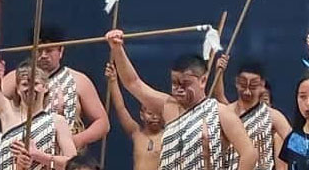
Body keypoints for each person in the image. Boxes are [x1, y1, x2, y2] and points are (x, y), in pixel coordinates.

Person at [105, 29, 257, 169]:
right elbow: (133, 83)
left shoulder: (221, 113)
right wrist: (117, 49)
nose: (178, 89)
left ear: (203, 81)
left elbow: (249, 153)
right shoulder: (168, 106)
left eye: (185, 84)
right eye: (175, 83)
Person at [0, 24, 109, 150]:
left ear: (60, 51)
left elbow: (102, 122)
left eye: (49, 50)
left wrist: (76, 140)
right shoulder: (18, 78)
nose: (43, 56)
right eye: (39, 50)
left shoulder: (79, 80)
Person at [0, 14, 77, 170]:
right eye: (25, 84)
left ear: (45, 87)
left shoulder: (57, 121)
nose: (30, 88)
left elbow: (73, 164)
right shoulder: (7, 112)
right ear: (17, 89)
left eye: (36, 83)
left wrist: (38, 155)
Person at [211, 57, 292, 170]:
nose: (247, 91)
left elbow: (294, 143)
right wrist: (218, 72)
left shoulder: (272, 116)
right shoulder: (227, 113)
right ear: (236, 82)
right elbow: (219, 96)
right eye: (243, 85)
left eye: (253, 86)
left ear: (262, 85)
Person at [104, 63, 162, 170]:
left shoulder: (168, 135)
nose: (154, 117)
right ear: (142, 115)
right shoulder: (136, 133)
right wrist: (113, 81)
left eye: (158, 113)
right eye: (150, 113)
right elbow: (120, 108)